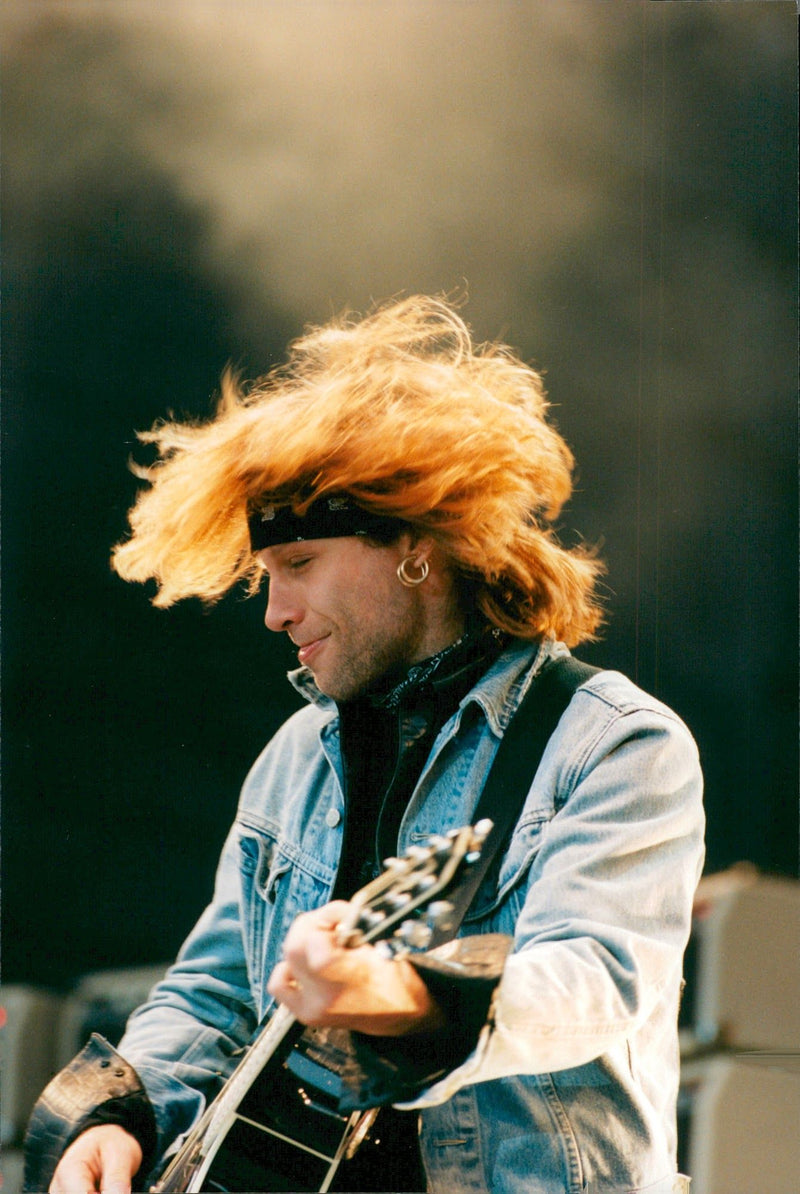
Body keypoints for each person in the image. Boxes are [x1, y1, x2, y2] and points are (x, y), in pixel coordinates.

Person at [29, 295, 704, 1194]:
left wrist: (406, 1000)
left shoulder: (616, 744)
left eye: (299, 566)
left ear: (413, 544)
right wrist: (122, 1112)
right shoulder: (296, 757)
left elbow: (594, 980)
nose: (275, 612)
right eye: (267, 578)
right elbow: (217, 993)